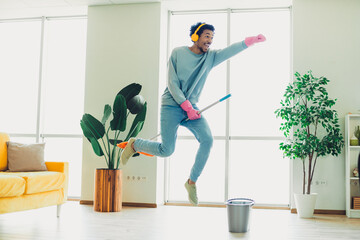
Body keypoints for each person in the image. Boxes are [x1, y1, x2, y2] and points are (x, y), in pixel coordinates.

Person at [121, 22, 266, 206]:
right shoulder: (177, 53)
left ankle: (191, 182)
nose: (210, 41)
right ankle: (135, 144)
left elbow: (229, 51)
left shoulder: (210, 57)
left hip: (193, 109)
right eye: (206, 36)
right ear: (195, 36)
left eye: (212, 38)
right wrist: (186, 105)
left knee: (208, 140)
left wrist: (250, 41)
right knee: (167, 150)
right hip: (171, 106)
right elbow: (172, 84)